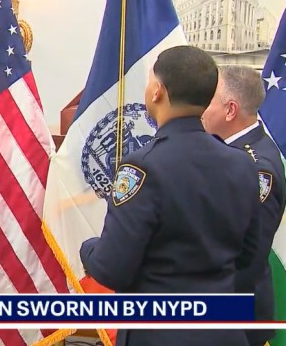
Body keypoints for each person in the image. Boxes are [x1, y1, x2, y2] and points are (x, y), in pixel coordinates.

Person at [80, 46, 260, 346]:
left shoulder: (141, 167)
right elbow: (250, 256)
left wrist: (88, 248)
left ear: (157, 92)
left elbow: (112, 269)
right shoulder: (242, 163)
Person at [202, 65, 286, 346]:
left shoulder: (257, 169)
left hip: (234, 317)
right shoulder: (223, 148)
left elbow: (247, 257)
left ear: (230, 110)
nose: (200, 107)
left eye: (208, 100)